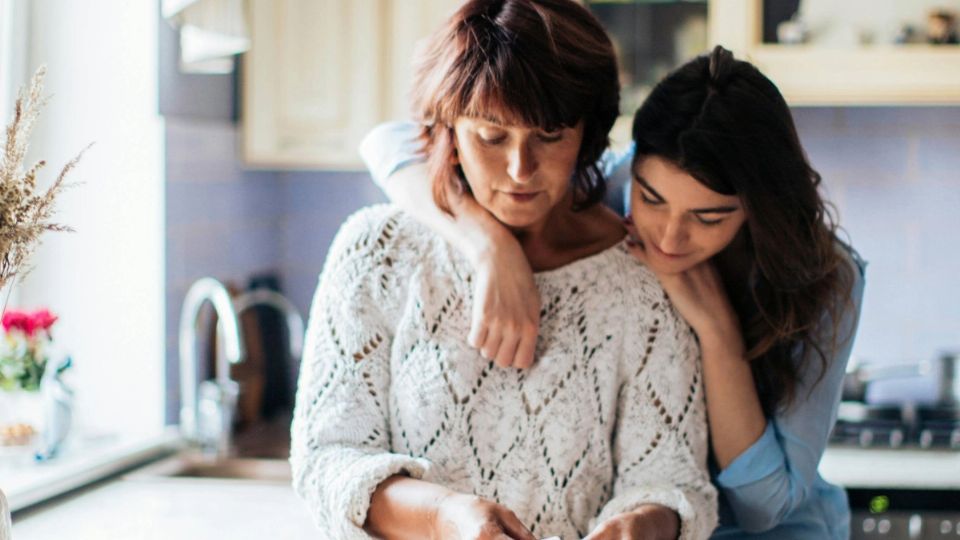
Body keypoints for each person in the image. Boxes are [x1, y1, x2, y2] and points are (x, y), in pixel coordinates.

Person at [359, 46, 865, 539]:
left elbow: (765, 507)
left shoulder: (825, 276)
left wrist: (717, 332)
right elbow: (389, 143)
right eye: (652, 199)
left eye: (709, 217)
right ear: (633, 165)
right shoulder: (607, 189)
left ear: (758, 206)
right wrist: (488, 244)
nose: (668, 237)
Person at [290, 1, 718, 539]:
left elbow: (675, 480)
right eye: (492, 137)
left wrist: (643, 525)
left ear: (587, 134)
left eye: (550, 135)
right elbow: (327, 460)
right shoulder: (377, 252)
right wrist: (445, 517)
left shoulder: (642, 279)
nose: (521, 170)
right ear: (448, 128)